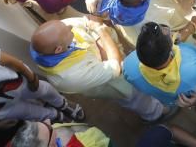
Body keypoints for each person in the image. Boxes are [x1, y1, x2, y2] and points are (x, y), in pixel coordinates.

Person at [28, 18, 165, 121]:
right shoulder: (70, 75)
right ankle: (154, 113)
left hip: (106, 68)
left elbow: (89, 20)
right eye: (68, 30)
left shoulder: (57, 34)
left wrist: (104, 47)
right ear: (59, 49)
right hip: (112, 84)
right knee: (134, 97)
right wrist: (101, 34)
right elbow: (116, 67)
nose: (70, 26)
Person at [123, 21, 196, 109]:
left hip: (170, 100)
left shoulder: (128, 65)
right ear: (171, 49)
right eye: (170, 34)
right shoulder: (194, 65)